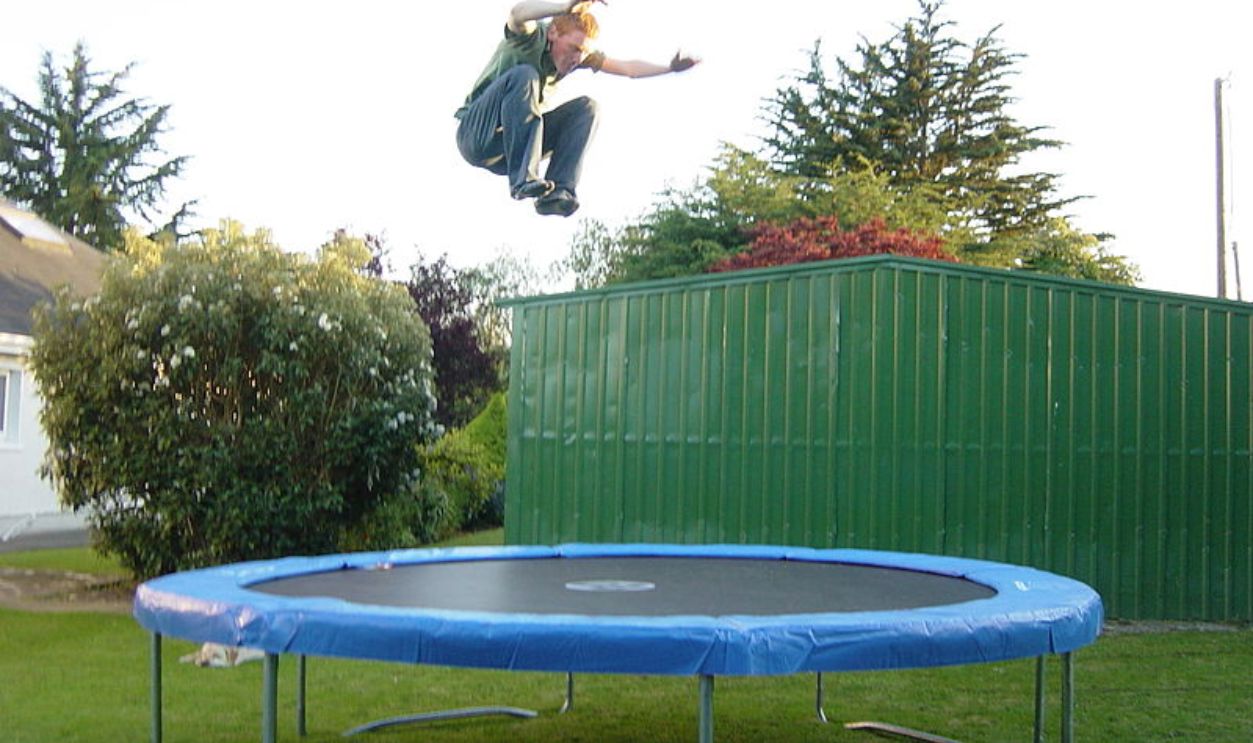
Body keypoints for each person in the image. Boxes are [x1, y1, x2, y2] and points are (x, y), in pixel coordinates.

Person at [455, 0, 699, 217]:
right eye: (573, 48)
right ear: (553, 32)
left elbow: (628, 70)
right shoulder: (529, 39)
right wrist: (563, 7)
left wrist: (669, 68)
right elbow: (517, 13)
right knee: (525, 75)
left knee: (587, 108)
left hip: (508, 153)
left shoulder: (580, 57)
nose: (576, 60)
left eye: (582, 54)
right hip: (476, 135)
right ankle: (523, 180)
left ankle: (557, 192)